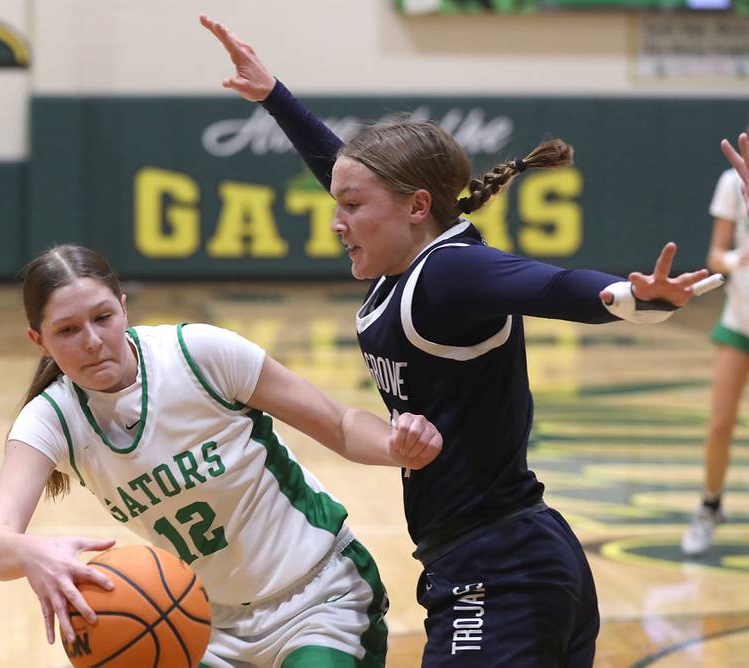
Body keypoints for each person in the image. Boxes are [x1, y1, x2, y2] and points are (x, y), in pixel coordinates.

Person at [202, 15, 714, 666]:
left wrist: (631, 299)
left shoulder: (448, 271)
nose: (337, 222)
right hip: (512, 553)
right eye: (338, 204)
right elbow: (343, 168)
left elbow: (551, 287)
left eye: (352, 208)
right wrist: (276, 96)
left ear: (417, 206)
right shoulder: (411, 261)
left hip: (499, 571)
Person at [0, 244, 444, 668]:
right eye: (68, 330)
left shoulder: (197, 354)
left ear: (123, 306)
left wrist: (396, 445)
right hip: (204, 624)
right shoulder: (51, 418)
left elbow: (338, 425)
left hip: (319, 595)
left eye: (102, 318)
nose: (92, 340)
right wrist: (32, 554)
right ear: (39, 341)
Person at [682, 131, 749, 557]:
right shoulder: (731, 181)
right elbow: (715, 255)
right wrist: (734, 260)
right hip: (739, 320)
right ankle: (710, 506)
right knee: (719, 427)